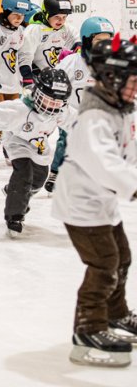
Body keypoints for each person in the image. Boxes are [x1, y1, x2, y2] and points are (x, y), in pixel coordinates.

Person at [52, 35, 137, 367]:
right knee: (104, 264)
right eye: (132, 80)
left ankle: (115, 315)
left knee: (122, 258)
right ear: (112, 78)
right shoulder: (94, 117)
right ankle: (88, 330)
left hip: (102, 201)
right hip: (81, 203)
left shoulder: (119, 108)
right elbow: (107, 164)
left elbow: (127, 152)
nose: (136, 87)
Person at [0, 68, 73, 237]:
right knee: (23, 174)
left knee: (38, 180)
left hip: (39, 145)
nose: (53, 106)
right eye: (49, 100)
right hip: (17, 141)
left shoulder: (62, 111)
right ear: (38, 94)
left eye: (58, 102)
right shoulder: (18, 110)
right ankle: (14, 216)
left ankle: (14, 192)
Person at [44, 16, 114, 194]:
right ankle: (55, 173)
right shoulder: (72, 62)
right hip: (71, 113)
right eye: (99, 40)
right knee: (65, 142)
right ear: (86, 40)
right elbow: (55, 80)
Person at [0, 0, 32, 165]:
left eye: (22, 15)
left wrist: (26, 74)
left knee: (13, 116)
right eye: (16, 15)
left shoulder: (20, 32)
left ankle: (9, 145)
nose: (19, 19)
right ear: (7, 11)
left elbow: (24, 54)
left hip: (13, 82)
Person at [18, 0, 79, 88]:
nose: (61, 21)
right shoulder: (34, 30)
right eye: (57, 17)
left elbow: (77, 42)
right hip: (36, 77)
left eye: (64, 17)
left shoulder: (66, 28)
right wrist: (27, 79)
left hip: (55, 78)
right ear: (46, 14)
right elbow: (25, 57)